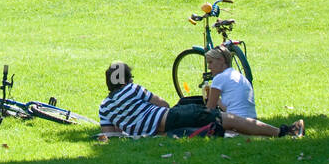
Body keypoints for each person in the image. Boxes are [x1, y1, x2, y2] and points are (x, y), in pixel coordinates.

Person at [99, 61, 303, 139]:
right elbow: (164, 104)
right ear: (127, 79)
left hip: (162, 130)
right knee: (225, 119)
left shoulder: (104, 107)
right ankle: (283, 131)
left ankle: (268, 134)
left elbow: (112, 135)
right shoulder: (132, 89)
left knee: (221, 126)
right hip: (171, 117)